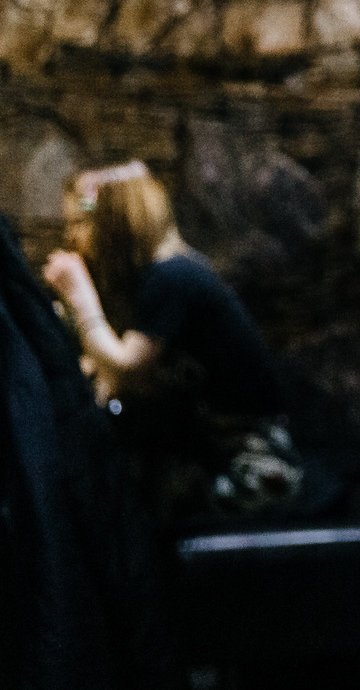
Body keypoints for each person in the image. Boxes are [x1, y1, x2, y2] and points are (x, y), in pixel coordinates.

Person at [41, 162, 301, 517]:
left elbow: (125, 372)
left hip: (252, 455)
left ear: (115, 221)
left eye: (81, 222)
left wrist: (80, 297)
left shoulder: (173, 276)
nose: (72, 237)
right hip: (211, 449)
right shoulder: (153, 281)